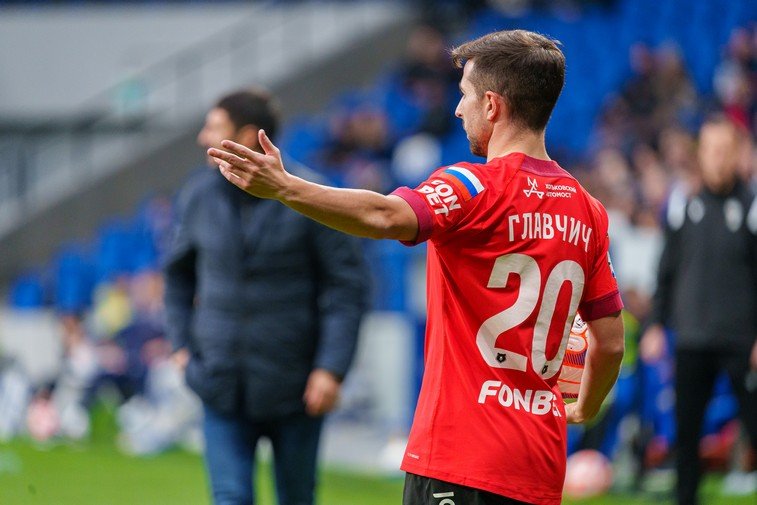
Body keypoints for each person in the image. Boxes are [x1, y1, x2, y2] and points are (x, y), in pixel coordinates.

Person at [210, 31, 625, 505]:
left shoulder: (473, 187)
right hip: (538, 463)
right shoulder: (587, 210)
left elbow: (385, 216)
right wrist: (584, 407)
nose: (458, 109)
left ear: (492, 105)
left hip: (460, 456)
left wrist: (285, 187)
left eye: (465, 94)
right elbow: (610, 342)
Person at [163, 89, 369, 505]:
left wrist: (331, 369)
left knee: (296, 497)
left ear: (247, 136)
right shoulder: (198, 196)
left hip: (296, 387)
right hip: (220, 383)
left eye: (214, 127)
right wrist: (182, 347)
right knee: (230, 497)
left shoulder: (312, 195)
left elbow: (345, 288)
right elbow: (178, 277)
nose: (203, 137)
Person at [640, 116, 757, 505]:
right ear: (700, 155)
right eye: (711, 150)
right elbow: (666, 271)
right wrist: (655, 324)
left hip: (742, 341)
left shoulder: (752, 206)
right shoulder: (682, 205)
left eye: (725, 150)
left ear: (737, 154)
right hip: (691, 338)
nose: (718, 158)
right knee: (686, 434)